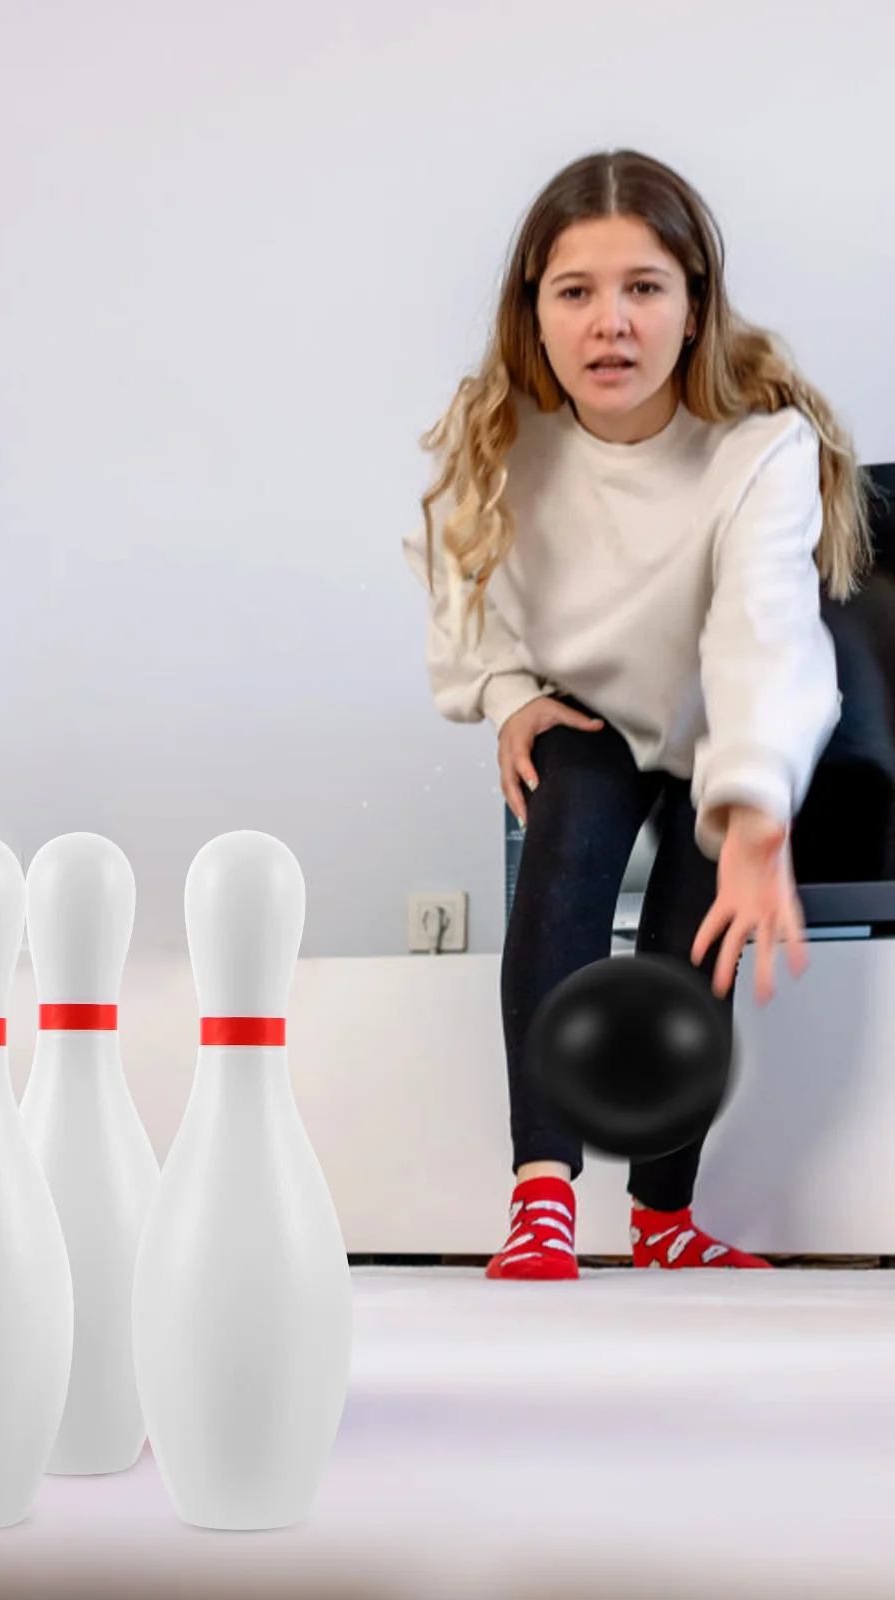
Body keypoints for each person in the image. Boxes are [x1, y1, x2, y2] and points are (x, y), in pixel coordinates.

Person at [403, 149, 875, 1279]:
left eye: (643, 288)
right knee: (567, 818)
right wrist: (510, 698)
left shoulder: (759, 447)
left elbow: (763, 626)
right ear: (536, 309)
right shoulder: (497, 435)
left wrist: (753, 809)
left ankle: (664, 1212)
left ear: (693, 303)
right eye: (576, 291)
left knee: (693, 923)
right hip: (592, 719)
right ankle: (541, 1197)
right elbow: (456, 586)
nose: (609, 323)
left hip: (718, 718)